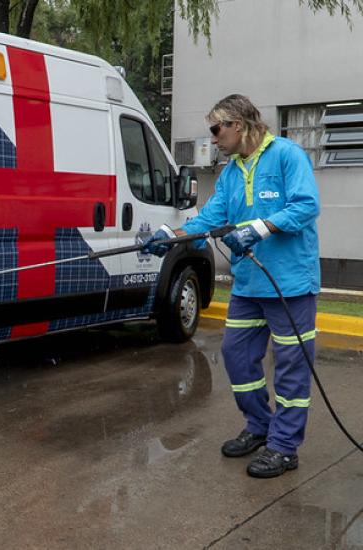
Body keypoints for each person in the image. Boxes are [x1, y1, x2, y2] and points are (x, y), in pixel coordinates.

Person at [143, 94, 320, 478]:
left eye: (216, 128)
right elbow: (210, 218)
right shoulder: (231, 172)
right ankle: (259, 427)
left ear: (238, 124)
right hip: (250, 284)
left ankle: (284, 447)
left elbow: (306, 206)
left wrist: (259, 227)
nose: (213, 137)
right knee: (237, 356)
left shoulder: (287, 155)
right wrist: (169, 235)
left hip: (289, 284)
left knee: (291, 368)